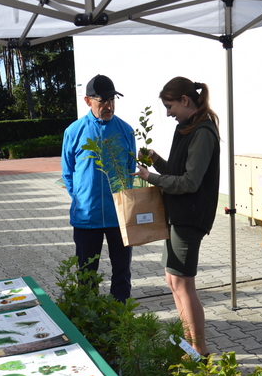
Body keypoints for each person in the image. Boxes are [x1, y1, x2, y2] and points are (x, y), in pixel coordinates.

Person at [134, 77, 220, 356]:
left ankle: (200, 350)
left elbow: (190, 183)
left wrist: (153, 178)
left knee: (183, 283)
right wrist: (157, 160)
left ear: (185, 100)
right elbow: (179, 171)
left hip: (190, 217)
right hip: (177, 215)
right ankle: (189, 345)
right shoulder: (186, 128)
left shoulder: (203, 132)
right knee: (172, 281)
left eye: (170, 106)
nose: (168, 113)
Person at [61, 74, 136, 302]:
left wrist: (121, 200)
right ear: (88, 101)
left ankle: (120, 315)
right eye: (102, 101)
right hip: (87, 217)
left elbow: (130, 170)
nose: (108, 106)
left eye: (112, 100)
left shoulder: (126, 130)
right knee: (86, 274)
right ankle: (89, 316)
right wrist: (83, 199)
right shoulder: (74, 131)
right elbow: (68, 172)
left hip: (118, 216)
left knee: (122, 273)